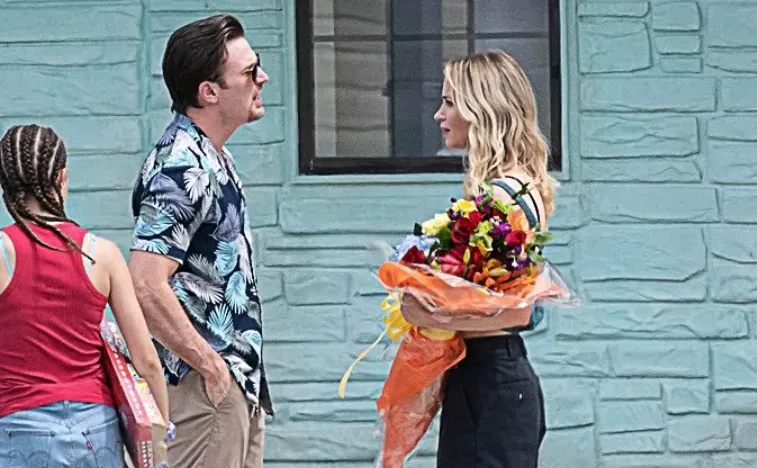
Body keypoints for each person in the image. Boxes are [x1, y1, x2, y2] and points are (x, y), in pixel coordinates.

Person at [128, 14, 272, 468]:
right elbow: (145, 283)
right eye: (249, 71)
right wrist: (210, 366)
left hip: (231, 386)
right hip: (205, 390)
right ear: (209, 91)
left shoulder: (212, 157)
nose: (263, 78)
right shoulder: (182, 166)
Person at [401, 50, 557, 467]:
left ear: (481, 109)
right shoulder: (508, 187)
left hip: (493, 380)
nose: (438, 114)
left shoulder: (505, 196)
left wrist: (428, 313)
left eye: (449, 102)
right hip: (485, 377)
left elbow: (520, 311)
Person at [0, 124, 169, 468]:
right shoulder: (101, 254)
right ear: (62, 178)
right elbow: (147, 360)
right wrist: (159, 434)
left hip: (20, 428)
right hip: (97, 431)